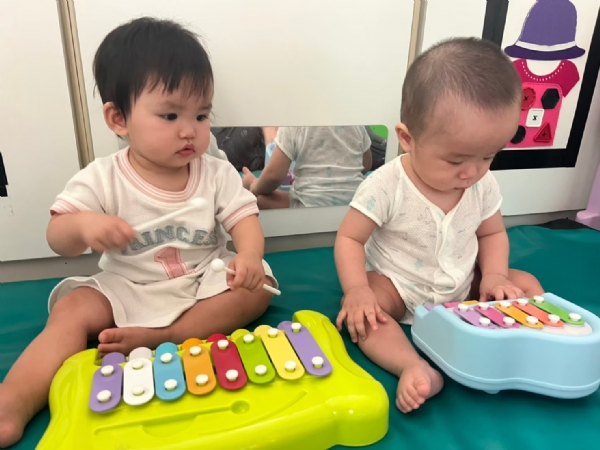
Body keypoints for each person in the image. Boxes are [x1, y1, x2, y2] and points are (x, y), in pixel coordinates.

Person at [0, 17, 277, 447]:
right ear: (119, 118)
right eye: (170, 115)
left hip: (203, 281)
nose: (189, 130)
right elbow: (57, 235)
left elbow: (245, 220)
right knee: (72, 309)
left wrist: (249, 256)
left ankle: (170, 336)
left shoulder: (216, 172)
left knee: (257, 289)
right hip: (127, 286)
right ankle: (13, 401)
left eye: (201, 115)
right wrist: (84, 225)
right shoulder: (103, 177)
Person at [334, 37, 544, 415]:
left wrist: (494, 276)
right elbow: (350, 237)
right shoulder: (386, 186)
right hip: (399, 287)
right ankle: (412, 366)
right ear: (407, 139)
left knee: (525, 283)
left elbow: (492, 232)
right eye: (456, 161)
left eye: (488, 156)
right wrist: (357, 290)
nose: (472, 172)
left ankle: (523, 347)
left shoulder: (481, 184)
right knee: (364, 316)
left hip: (463, 284)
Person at [242, 126, 372, 209]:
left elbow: (273, 176)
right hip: (353, 205)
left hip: (308, 206)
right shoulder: (356, 124)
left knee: (257, 200)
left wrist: (254, 185)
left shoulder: (294, 125)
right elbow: (366, 163)